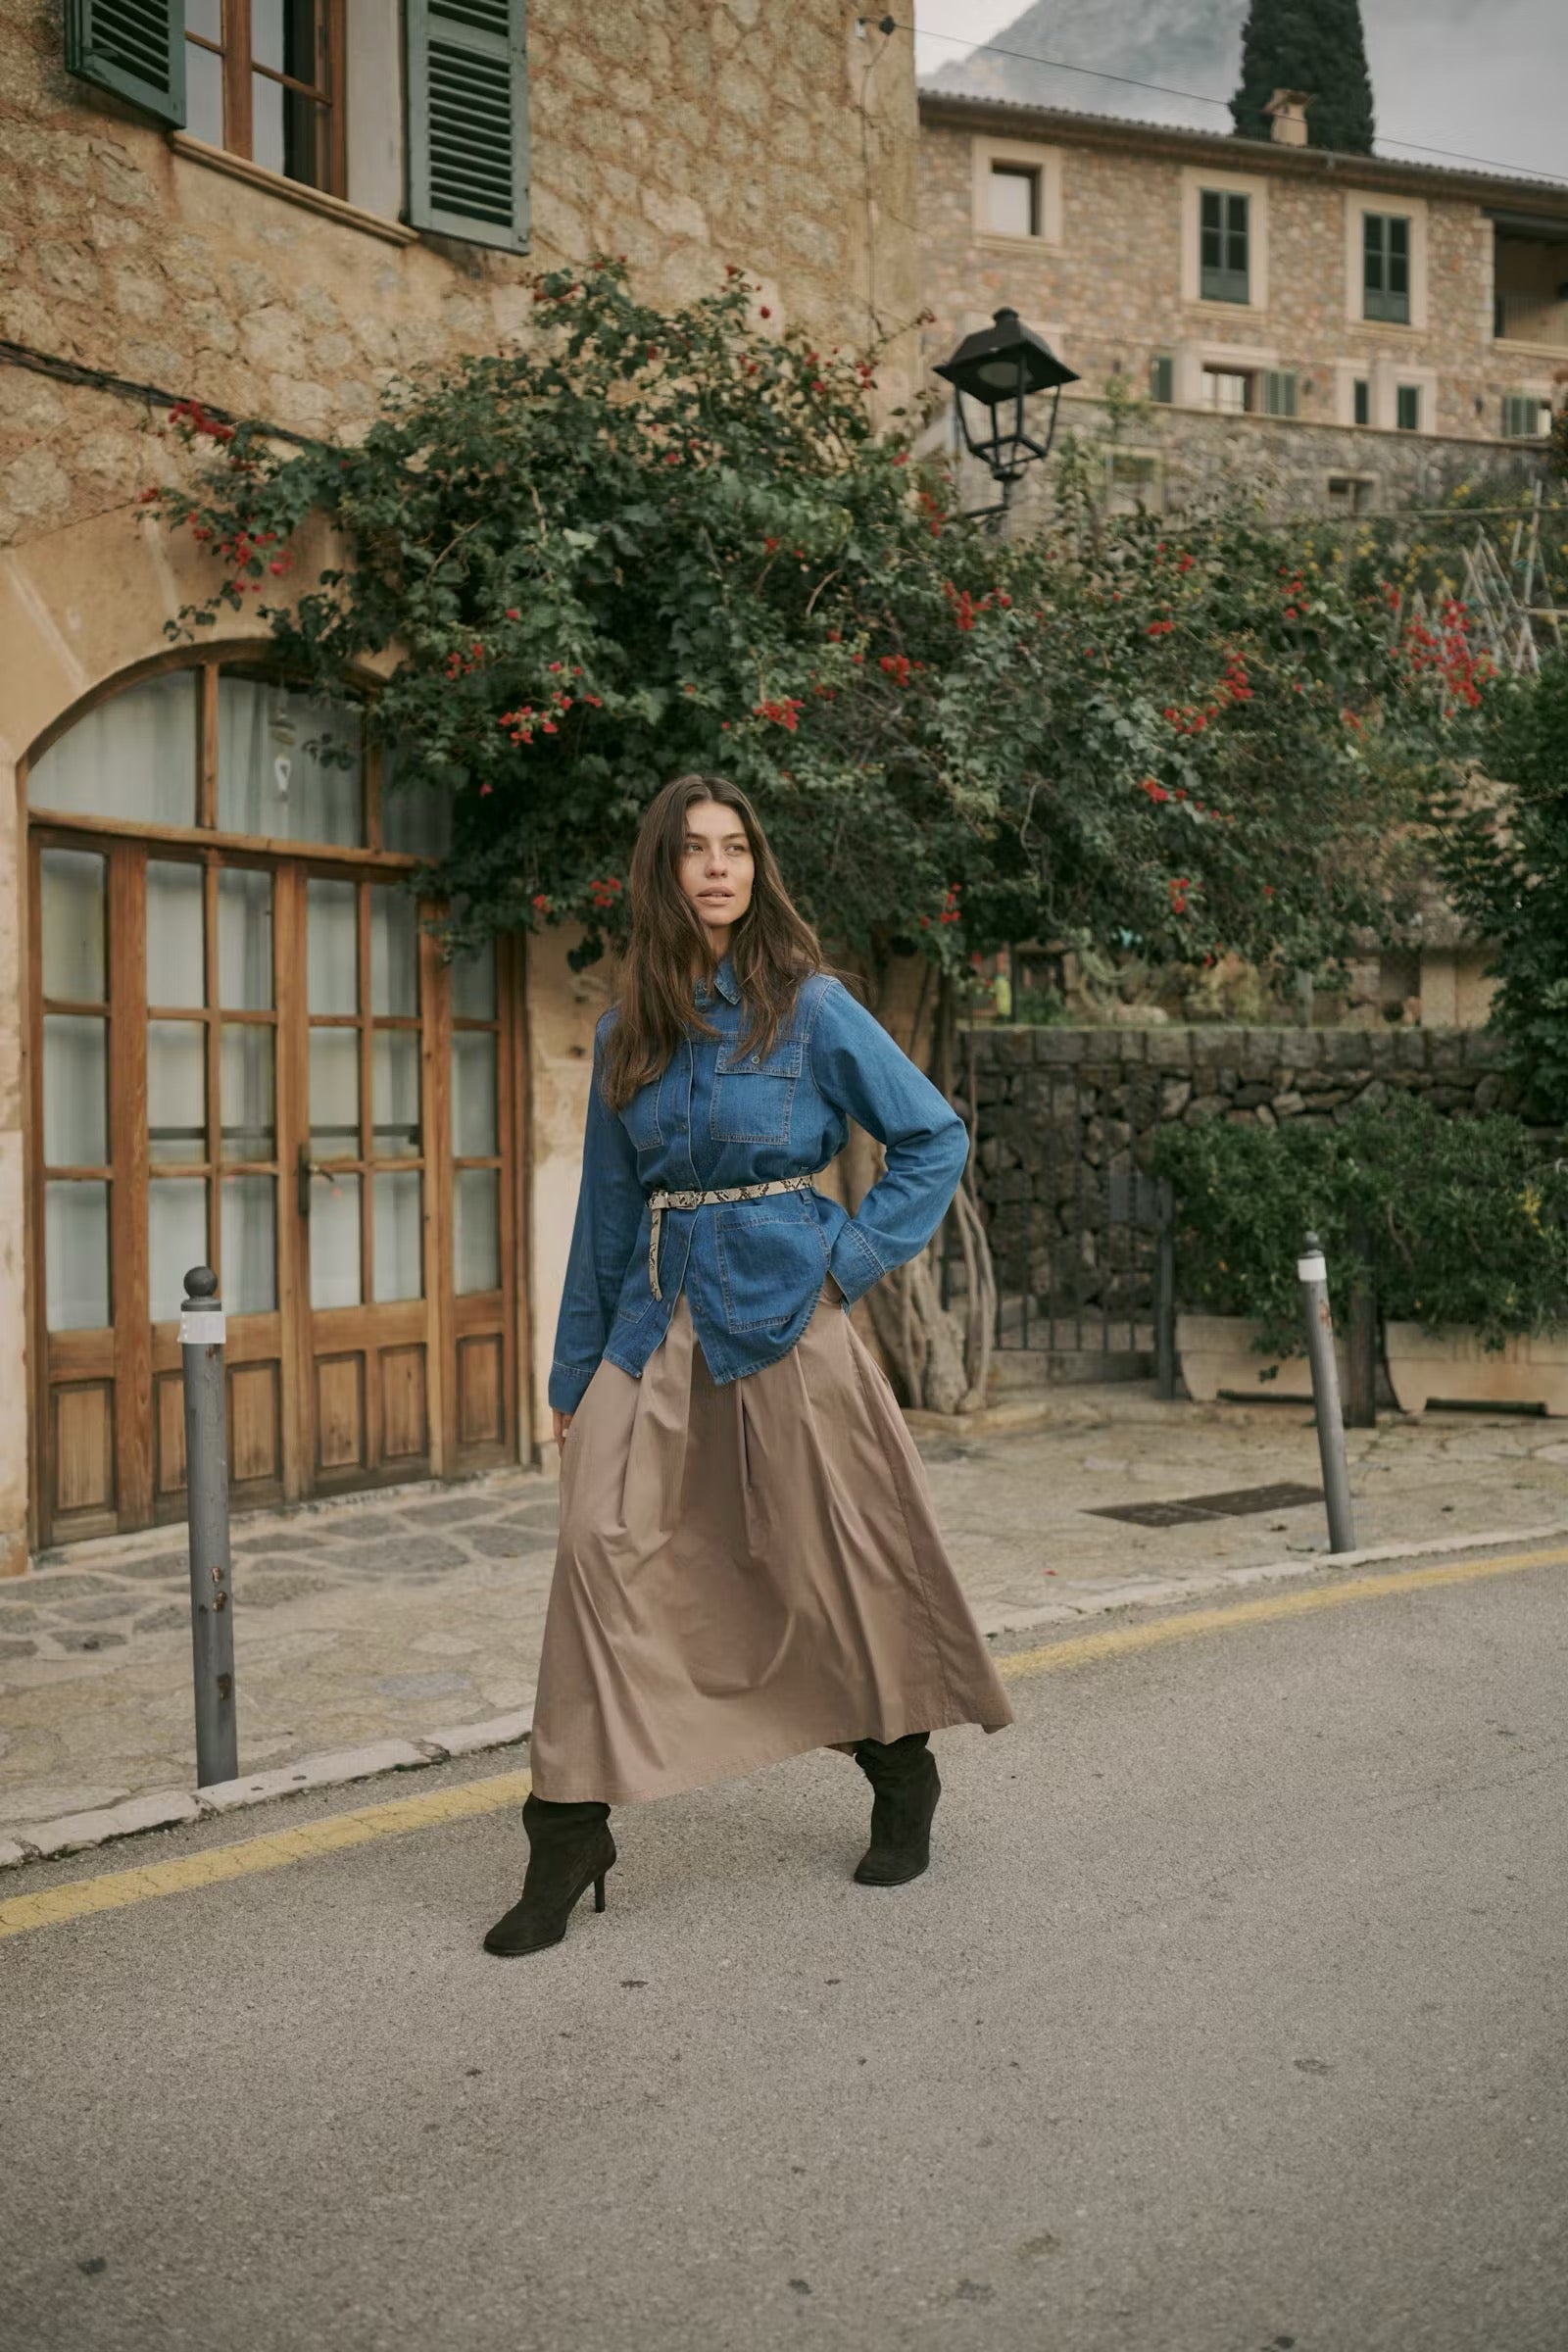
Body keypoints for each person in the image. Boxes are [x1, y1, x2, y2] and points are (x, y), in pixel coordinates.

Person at [483, 773, 1013, 1958]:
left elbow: (931, 1136)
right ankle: (566, 1833)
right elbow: (606, 1219)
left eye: (734, 847)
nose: (717, 866)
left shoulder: (811, 1008)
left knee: (825, 1558)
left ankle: (899, 1769)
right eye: (694, 849)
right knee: (595, 1549)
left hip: (788, 1312)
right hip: (651, 1322)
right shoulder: (626, 1031)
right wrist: (573, 1379)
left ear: (755, 867)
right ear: (662, 872)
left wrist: (847, 1265)